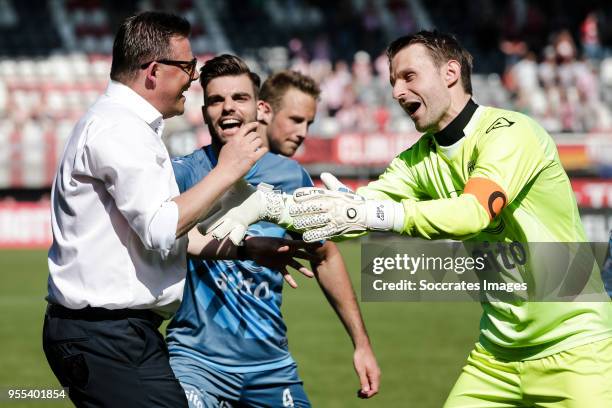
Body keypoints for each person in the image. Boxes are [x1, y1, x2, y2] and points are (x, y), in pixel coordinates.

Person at [212, 31, 612, 406]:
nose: (397, 92)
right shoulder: (418, 159)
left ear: (450, 73)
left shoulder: (510, 132)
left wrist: (374, 211)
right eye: (392, 81)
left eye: (408, 76)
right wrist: (267, 206)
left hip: (576, 349)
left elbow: (473, 212)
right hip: (497, 356)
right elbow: (348, 212)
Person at [42, 12, 270, 407]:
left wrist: (248, 248)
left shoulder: (126, 125)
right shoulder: (120, 129)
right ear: (152, 71)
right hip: (106, 335)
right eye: (187, 67)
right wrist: (230, 168)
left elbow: (167, 235)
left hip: (114, 334)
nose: (193, 78)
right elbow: (163, 227)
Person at [166, 56, 380, 408]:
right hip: (196, 363)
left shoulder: (290, 176)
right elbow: (164, 236)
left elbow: (324, 255)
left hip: (271, 367)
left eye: (239, 98)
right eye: (217, 100)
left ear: (259, 107)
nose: (228, 108)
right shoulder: (184, 173)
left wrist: (362, 344)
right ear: (204, 111)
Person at [257, 70, 319, 157]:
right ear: (265, 111)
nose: (303, 134)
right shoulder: (234, 164)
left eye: (308, 124)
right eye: (296, 120)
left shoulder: (284, 168)